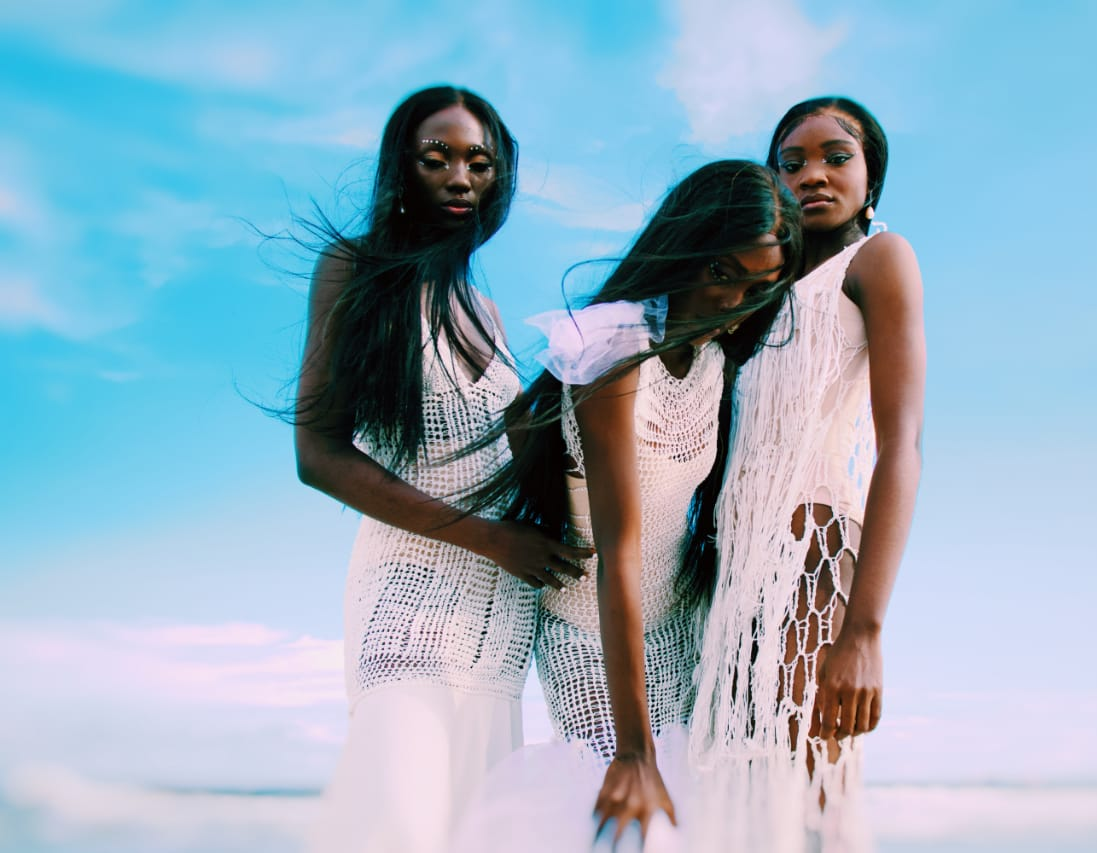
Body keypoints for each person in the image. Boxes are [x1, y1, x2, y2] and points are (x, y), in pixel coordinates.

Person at [450, 159, 803, 852]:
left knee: (694, 828)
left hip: (680, 628)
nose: (737, 303)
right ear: (687, 247)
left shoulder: (714, 358)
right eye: (724, 273)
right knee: (629, 824)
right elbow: (620, 549)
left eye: (761, 288)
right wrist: (634, 750)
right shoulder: (612, 344)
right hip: (591, 631)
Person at [292, 85, 590, 853]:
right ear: (404, 166)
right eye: (439, 158)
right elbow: (318, 453)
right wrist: (491, 538)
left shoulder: (481, 311)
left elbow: (505, 452)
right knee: (396, 827)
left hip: (498, 632)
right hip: (408, 613)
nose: (461, 176)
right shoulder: (356, 269)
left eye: (479, 163)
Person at [687, 96, 926, 852]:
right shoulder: (761, 298)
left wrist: (864, 632)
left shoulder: (878, 259)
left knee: (811, 810)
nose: (811, 175)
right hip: (737, 588)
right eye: (789, 164)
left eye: (835, 156)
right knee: (746, 810)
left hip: (814, 573)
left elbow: (902, 448)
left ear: (871, 177)